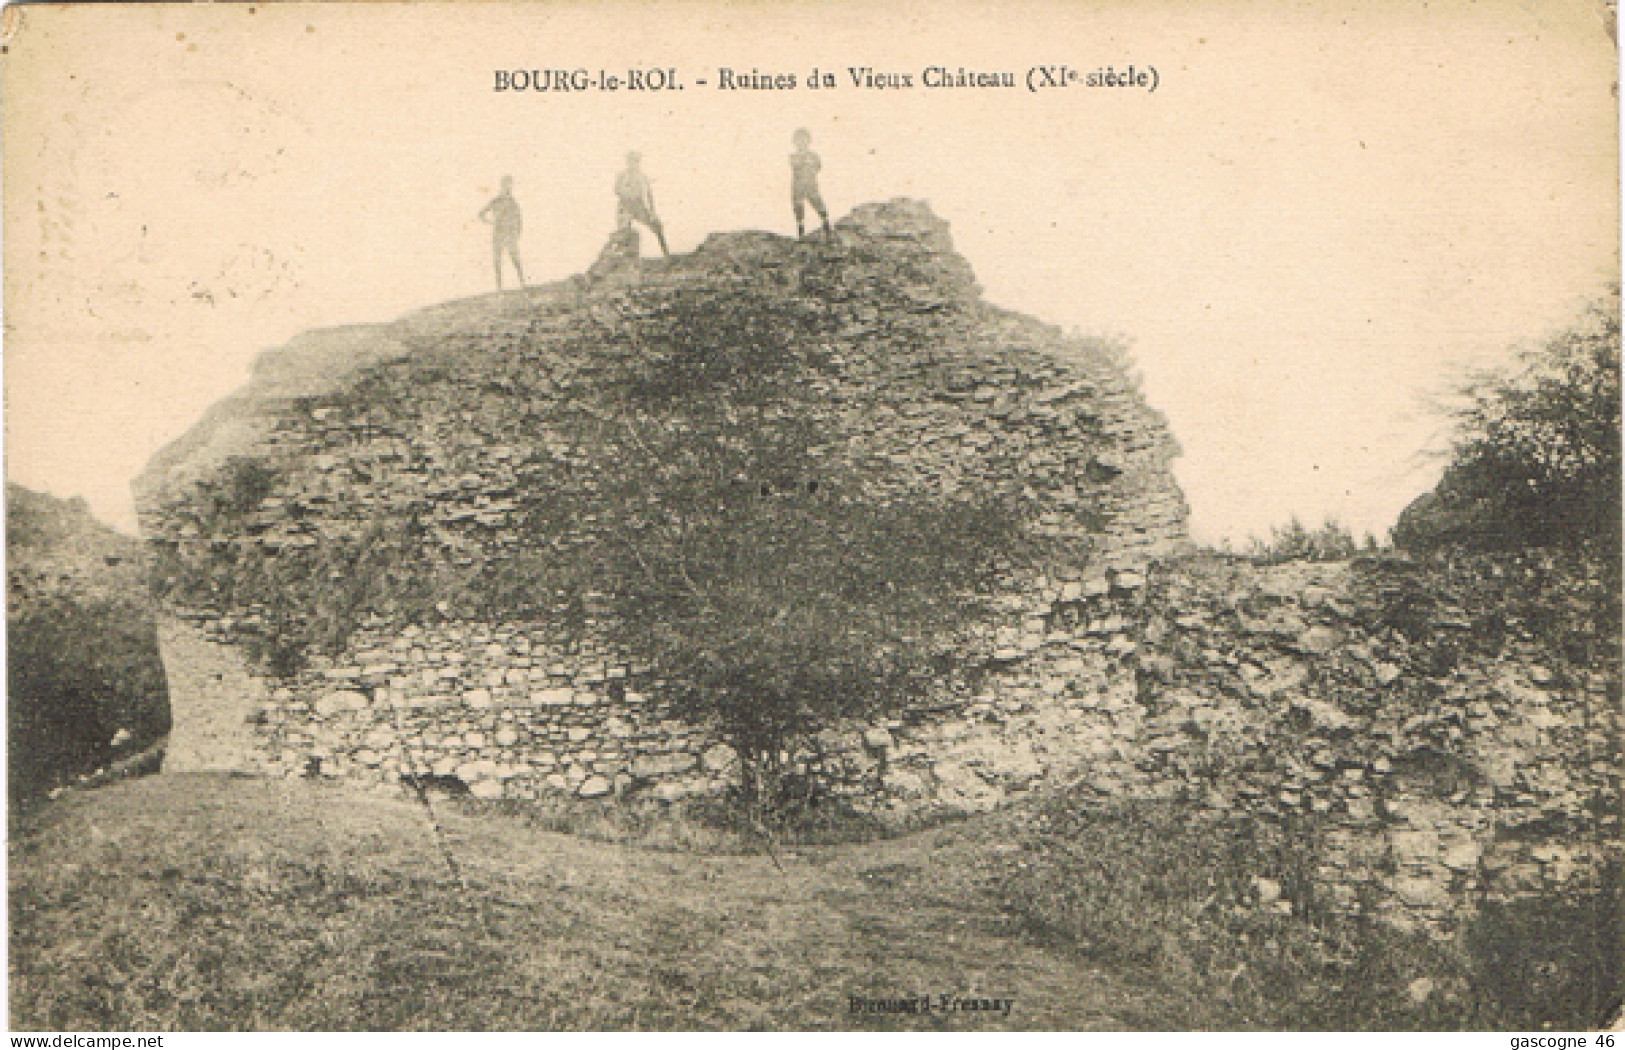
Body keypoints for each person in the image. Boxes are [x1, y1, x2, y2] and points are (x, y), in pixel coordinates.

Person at [614, 152, 670, 256]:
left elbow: (649, 195)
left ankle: (666, 253)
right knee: (623, 232)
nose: (633, 164)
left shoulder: (643, 177)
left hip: (639, 205)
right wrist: (627, 193)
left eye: (636, 161)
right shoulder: (622, 175)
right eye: (631, 161)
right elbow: (616, 190)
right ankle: (621, 258)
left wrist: (652, 212)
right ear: (627, 162)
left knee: (657, 225)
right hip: (625, 205)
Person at [478, 175, 525, 290]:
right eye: (506, 185)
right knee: (497, 261)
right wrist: (490, 222)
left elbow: (519, 219)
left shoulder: (513, 202)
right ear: (502, 186)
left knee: (515, 259)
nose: (509, 187)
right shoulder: (496, 201)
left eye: (510, 185)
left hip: (509, 234)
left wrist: (517, 233)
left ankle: (522, 283)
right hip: (498, 234)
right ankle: (499, 288)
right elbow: (481, 213)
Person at [790, 128, 831, 238]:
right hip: (798, 185)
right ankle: (801, 229)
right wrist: (806, 162)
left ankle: (826, 223)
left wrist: (809, 166)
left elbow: (818, 166)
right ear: (794, 142)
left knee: (817, 202)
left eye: (803, 140)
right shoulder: (793, 156)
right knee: (798, 206)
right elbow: (795, 164)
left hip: (810, 183)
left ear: (808, 141)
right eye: (798, 140)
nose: (801, 143)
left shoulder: (813, 155)